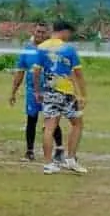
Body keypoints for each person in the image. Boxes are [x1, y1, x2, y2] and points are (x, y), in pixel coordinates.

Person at [36, 20, 87, 175]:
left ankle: (48, 163)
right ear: (64, 31)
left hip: (49, 92)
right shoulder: (69, 50)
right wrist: (83, 94)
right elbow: (78, 74)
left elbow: (36, 71)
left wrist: (37, 91)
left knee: (49, 126)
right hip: (66, 93)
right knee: (77, 124)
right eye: (69, 33)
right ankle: (70, 158)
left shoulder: (42, 47)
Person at [9, 23, 63, 161]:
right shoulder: (28, 50)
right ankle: (30, 151)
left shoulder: (53, 50)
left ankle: (59, 150)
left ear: (48, 34)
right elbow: (20, 72)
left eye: (43, 32)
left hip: (50, 90)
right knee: (31, 120)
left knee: (52, 121)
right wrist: (13, 92)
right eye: (38, 32)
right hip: (32, 91)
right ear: (34, 32)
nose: (40, 35)